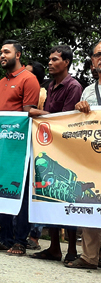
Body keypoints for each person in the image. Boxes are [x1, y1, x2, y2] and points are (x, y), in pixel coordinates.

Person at [0, 40, 40, 256]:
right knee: (2, 190)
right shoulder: (0, 83)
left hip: (21, 147)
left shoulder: (29, 79)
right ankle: (5, 237)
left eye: (6, 51)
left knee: (22, 194)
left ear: (18, 55)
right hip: (1, 147)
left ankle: (20, 240)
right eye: (0, 52)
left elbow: (29, 114)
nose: (1, 55)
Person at [27, 45, 83, 263]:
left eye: (55, 59)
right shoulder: (51, 86)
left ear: (66, 62)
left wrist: (38, 113)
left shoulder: (73, 86)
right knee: (49, 196)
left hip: (67, 150)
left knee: (67, 197)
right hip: (49, 149)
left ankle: (71, 250)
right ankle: (54, 248)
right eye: (49, 59)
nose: (50, 63)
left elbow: (65, 120)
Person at [67, 40, 101, 270]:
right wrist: (80, 109)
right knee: (92, 202)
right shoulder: (88, 90)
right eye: (99, 55)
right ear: (92, 62)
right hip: (93, 156)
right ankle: (89, 257)